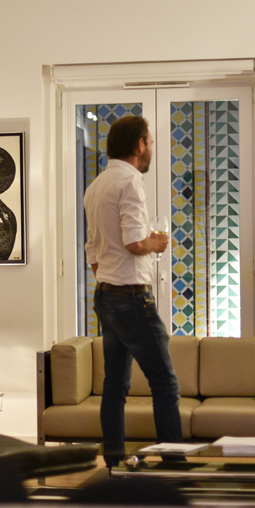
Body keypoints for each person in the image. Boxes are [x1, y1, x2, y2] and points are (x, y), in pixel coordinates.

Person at [82, 115, 183, 467]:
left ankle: (114, 461)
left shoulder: (96, 186)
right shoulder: (130, 182)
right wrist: (156, 243)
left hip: (106, 294)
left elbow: (92, 251)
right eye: (150, 142)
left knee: (115, 386)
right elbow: (134, 242)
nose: (151, 148)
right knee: (165, 383)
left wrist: (109, 277)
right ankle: (174, 464)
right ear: (140, 145)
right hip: (131, 297)